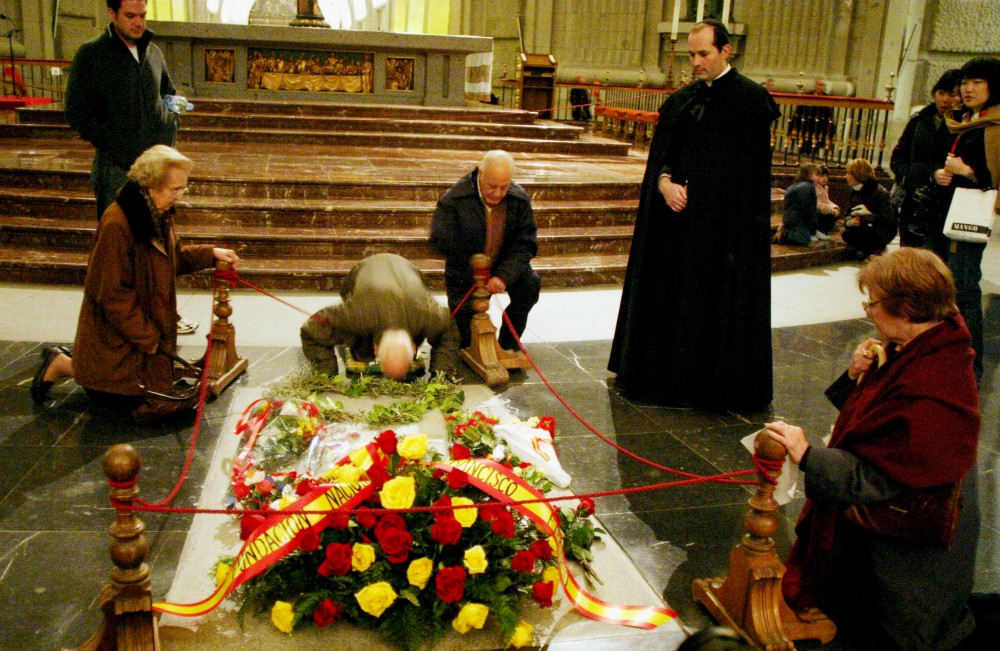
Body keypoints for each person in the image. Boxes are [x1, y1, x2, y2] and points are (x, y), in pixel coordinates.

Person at [766, 247, 980, 651]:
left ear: (906, 308)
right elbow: (880, 425)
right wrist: (855, 377)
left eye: (875, 303)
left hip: (905, 565)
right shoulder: (925, 346)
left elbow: (881, 475)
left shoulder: (934, 386)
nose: (868, 312)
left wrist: (807, 454)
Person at [608, 19, 780, 409]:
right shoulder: (683, 100)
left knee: (713, 307)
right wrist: (664, 184)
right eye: (691, 55)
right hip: (676, 228)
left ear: (725, 51)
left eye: (703, 54)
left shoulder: (751, 101)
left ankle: (709, 384)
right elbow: (665, 158)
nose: (696, 62)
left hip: (722, 234)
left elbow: (748, 178)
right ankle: (664, 377)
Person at [29, 145, 240, 424]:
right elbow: (112, 294)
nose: (179, 196)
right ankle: (64, 364)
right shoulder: (118, 223)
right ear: (150, 186)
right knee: (127, 400)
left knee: (164, 398)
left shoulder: (156, 214)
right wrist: (148, 337)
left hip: (142, 338)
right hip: (120, 341)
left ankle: (77, 365)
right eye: (175, 189)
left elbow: (170, 259)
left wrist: (208, 254)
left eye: (182, 189)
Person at [65, 0, 198, 336]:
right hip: (117, 169)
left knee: (159, 246)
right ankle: (117, 326)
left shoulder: (152, 52)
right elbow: (77, 112)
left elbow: (168, 94)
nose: (138, 23)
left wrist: (171, 121)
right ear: (111, 14)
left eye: (143, 16)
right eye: (130, 16)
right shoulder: (92, 55)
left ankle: (165, 315)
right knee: (120, 254)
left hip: (157, 174)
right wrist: (120, 148)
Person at [927, 56, 1000, 383]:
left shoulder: (995, 126)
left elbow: (994, 178)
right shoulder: (966, 120)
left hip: (967, 221)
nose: (967, 89)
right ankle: (944, 357)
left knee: (964, 290)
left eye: (977, 83)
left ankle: (971, 368)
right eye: (965, 83)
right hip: (944, 213)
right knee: (942, 288)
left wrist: (965, 171)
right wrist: (942, 174)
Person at [430, 150, 540, 351]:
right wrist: (477, 271)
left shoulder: (518, 199)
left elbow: (526, 243)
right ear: (480, 173)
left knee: (530, 284)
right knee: (464, 341)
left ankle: (508, 344)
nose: (498, 193)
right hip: (466, 272)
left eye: (504, 187)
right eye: (492, 186)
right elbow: (440, 242)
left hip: (503, 265)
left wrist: (503, 276)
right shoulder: (454, 200)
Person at [300, 253, 460, 379]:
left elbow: (449, 330)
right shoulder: (356, 316)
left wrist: (441, 376)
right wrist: (326, 374)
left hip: (410, 273)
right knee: (359, 351)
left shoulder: (428, 316)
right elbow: (312, 329)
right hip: (362, 272)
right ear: (376, 349)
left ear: (414, 349)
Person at [890, 69, 963, 247]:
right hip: (914, 198)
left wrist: (936, 173)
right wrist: (908, 176)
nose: (945, 100)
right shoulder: (919, 120)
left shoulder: (963, 124)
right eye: (941, 93)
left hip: (942, 201)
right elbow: (898, 156)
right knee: (908, 255)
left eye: (952, 95)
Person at [840, 158, 896, 259]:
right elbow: (847, 213)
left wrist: (868, 215)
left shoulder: (880, 193)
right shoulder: (855, 191)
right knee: (847, 234)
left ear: (858, 175)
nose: (846, 176)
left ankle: (873, 250)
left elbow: (889, 221)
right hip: (863, 228)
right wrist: (850, 221)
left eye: (849, 174)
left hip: (880, 232)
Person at [779, 163, 820, 246]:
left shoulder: (793, 186)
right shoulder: (808, 187)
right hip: (799, 226)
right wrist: (813, 228)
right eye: (816, 174)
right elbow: (808, 210)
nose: (818, 178)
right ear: (811, 174)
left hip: (790, 223)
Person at [814, 164, 841, 235]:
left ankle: (826, 229)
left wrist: (834, 207)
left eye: (826, 176)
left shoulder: (825, 188)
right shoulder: (814, 188)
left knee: (836, 214)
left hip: (826, 209)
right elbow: (817, 203)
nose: (825, 178)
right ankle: (819, 230)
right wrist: (831, 210)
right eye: (822, 176)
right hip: (818, 210)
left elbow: (827, 200)